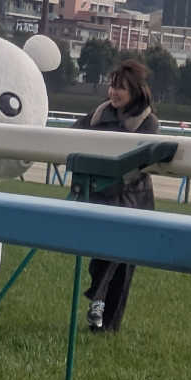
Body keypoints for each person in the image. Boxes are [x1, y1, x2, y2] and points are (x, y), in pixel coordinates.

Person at [73, 58, 159, 333]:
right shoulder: (98, 114)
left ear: (134, 90)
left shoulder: (148, 122)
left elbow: (140, 164)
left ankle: (106, 322)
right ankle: (98, 302)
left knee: (120, 264)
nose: (113, 92)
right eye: (112, 86)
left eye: (120, 88)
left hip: (133, 203)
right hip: (101, 198)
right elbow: (73, 133)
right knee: (101, 259)